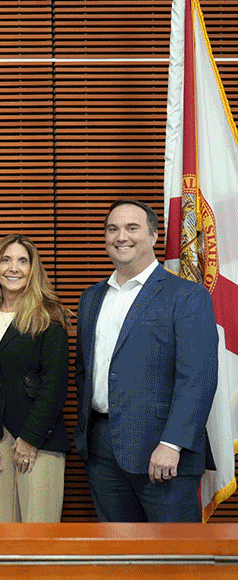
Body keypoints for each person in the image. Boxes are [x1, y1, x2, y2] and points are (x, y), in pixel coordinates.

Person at [75, 200, 218, 522]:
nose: (120, 236)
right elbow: (86, 372)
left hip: (162, 451)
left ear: (154, 236)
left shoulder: (186, 296)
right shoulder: (92, 297)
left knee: (177, 558)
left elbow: (198, 378)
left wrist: (172, 444)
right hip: (102, 450)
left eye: (132, 228)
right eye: (112, 229)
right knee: (119, 557)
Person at [0, 235, 70, 523]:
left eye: (23, 261)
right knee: (2, 531)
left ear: (33, 269)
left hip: (38, 440)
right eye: (6, 260)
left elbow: (55, 384)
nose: (14, 268)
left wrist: (31, 439)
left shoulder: (49, 315)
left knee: (39, 533)